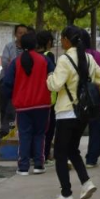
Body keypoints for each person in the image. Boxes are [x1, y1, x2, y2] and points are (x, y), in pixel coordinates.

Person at [46, 26, 100, 199]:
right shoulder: (89, 58)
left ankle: (66, 195)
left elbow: (55, 85)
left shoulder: (64, 59)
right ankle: (86, 183)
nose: (61, 41)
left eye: (62, 38)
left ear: (67, 40)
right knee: (72, 150)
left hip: (66, 112)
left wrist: (50, 77)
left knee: (60, 154)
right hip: (83, 113)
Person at [0, 32, 54, 175]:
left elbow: (7, 83)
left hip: (22, 105)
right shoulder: (44, 60)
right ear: (36, 44)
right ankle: (38, 165)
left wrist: (13, 97)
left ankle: (23, 167)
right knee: (39, 134)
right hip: (42, 104)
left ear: (21, 45)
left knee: (24, 135)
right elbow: (53, 78)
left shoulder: (16, 62)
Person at [79, 30, 100, 168]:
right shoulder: (94, 55)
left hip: (76, 99)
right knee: (95, 129)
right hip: (94, 98)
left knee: (75, 130)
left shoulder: (70, 56)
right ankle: (92, 159)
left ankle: (72, 156)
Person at [0, 24, 28, 139]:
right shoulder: (9, 46)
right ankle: (4, 131)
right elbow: (5, 63)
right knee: (4, 106)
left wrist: (14, 64)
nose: (22, 35)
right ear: (15, 34)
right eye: (20, 33)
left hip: (22, 84)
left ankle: (10, 131)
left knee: (13, 109)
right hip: (7, 80)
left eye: (24, 33)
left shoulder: (29, 49)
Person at [36, 31, 58, 166]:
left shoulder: (32, 56)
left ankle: (35, 154)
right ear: (49, 42)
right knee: (48, 129)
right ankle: (44, 154)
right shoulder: (48, 56)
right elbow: (53, 75)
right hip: (48, 98)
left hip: (34, 97)